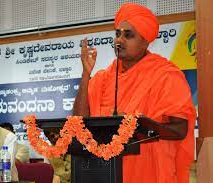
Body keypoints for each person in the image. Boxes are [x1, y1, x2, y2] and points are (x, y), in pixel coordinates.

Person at [73, 3, 196, 183]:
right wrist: (85, 75)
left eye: (128, 35)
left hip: (148, 172)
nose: (119, 40)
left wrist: (138, 127)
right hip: (104, 172)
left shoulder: (166, 76)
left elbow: (179, 129)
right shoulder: (103, 78)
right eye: (117, 34)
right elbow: (78, 120)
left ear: (145, 40)